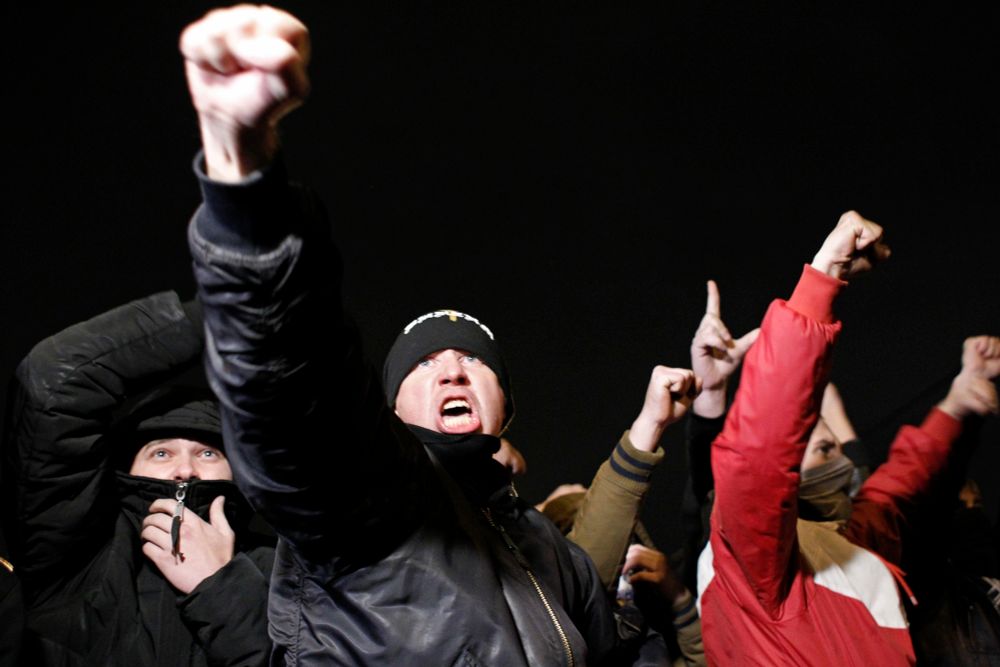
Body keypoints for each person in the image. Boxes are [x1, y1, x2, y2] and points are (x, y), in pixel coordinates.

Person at [181, 6, 670, 665]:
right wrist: (244, 192)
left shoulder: (554, 554)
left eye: (472, 359)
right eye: (425, 364)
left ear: (507, 406)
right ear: (387, 412)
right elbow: (293, 394)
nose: (452, 370)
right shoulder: (377, 496)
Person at [696, 211, 1000, 665]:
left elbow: (896, 490)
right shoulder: (751, 563)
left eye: (835, 448)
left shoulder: (840, 544)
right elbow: (757, 452)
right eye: (817, 447)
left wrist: (957, 407)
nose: (838, 458)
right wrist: (822, 279)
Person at [1, 292, 274, 666]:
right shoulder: (77, 558)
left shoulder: (283, 571)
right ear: (127, 468)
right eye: (161, 453)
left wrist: (220, 588)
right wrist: (231, 317)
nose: (185, 470)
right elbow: (54, 385)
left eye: (208, 453)